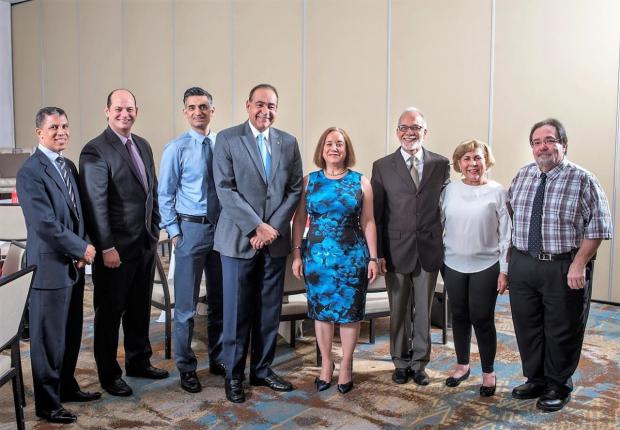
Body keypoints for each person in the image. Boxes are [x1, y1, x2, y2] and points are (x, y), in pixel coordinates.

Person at [508, 118, 612, 412]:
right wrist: (509, 266)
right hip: (524, 264)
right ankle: (536, 379)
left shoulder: (583, 179)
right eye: (537, 142)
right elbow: (511, 221)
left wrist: (579, 264)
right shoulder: (523, 175)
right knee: (527, 325)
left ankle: (558, 384)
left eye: (550, 140)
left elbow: (599, 227)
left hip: (564, 266)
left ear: (563, 145)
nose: (543, 147)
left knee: (561, 327)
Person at [213, 83, 303, 403]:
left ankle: (262, 370)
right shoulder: (227, 138)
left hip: (274, 242)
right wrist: (256, 226)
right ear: (247, 105)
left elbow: (294, 189)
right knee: (237, 312)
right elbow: (225, 188)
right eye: (260, 104)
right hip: (239, 240)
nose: (266, 111)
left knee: (268, 311)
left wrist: (272, 228)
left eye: (272, 105)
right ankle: (234, 375)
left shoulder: (288, 143)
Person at [79, 89, 168, 397]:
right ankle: (108, 374)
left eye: (129, 109)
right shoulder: (95, 150)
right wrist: (106, 247)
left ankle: (138, 361)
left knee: (138, 307)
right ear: (107, 111)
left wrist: (154, 229)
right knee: (109, 313)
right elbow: (96, 204)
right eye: (118, 109)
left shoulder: (142, 145)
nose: (124, 114)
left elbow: (151, 193)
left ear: (136, 111)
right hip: (114, 249)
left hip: (144, 243)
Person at [16, 107, 100, 424]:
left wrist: (83, 246)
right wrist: (83, 248)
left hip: (74, 266)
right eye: (54, 127)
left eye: (65, 125)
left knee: (70, 333)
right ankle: (48, 404)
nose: (61, 131)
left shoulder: (67, 165)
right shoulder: (30, 171)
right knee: (48, 340)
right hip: (50, 268)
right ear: (39, 132)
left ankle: (66, 386)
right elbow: (45, 224)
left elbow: (80, 213)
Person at [291, 127, 378, 394]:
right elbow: (298, 220)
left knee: (350, 315)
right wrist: (296, 253)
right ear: (322, 149)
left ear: (346, 149)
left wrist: (373, 257)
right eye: (329, 143)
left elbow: (368, 221)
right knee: (322, 314)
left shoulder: (361, 182)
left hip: (352, 258)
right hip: (317, 258)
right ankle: (326, 365)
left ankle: (346, 366)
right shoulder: (309, 181)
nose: (334, 148)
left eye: (339, 143)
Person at [371, 107, 450, 386]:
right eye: (404, 127)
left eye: (415, 128)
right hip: (396, 249)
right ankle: (400, 361)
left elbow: (446, 207)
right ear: (397, 132)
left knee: (424, 311)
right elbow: (377, 215)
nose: (409, 133)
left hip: (429, 248)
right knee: (399, 310)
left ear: (424, 132)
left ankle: (419, 364)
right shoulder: (382, 166)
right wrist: (378, 253)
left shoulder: (441, 164)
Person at [158, 87, 224, 393]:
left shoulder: (223, 144)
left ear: (213, 109)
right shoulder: (176, 148)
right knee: (185, 307)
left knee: (219, 302)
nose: (198, 112)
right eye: (192, 107)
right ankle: (186, 367)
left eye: (204, 106)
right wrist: (175, 232)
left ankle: (219, 359)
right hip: (190, 230)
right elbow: (165, 194)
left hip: (222, 231)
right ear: (185, 112)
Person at [440, 140, 511, 397]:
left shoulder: (497, 191)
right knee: (458, 316)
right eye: (467, 158)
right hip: (453, 264)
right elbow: (438, 225)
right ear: (459, 163)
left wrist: (504, 270)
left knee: (482, 318)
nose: (473, 164)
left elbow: (506, 235)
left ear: (486, 161)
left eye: (478, 158)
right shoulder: (449, 190)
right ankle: (462, 365)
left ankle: (488, 372)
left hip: (486, 265)